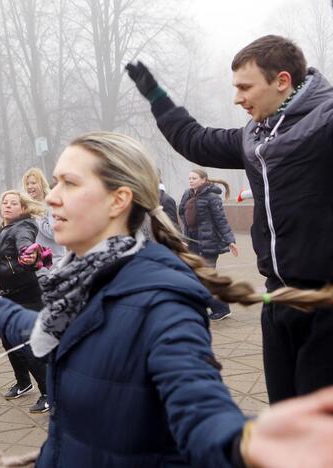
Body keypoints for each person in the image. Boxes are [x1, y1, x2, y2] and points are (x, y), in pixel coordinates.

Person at [0, 131, 333, 467]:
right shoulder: (80, 283)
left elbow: (196, 400)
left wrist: (242, 443)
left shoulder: (161, 299)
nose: (52, 196)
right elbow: (68, 336)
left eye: (69, 183)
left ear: (118, 200)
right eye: (55, 182)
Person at [126, 34, 333, 403]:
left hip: (326, 306)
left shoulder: (326, 125)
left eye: (245, 87)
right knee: (284, 418)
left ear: (281, 81)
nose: (237, 98)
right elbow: (194, 140)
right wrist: (156, 96)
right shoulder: (255, 138)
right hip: (278, 300)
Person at [0, 190, 49, 413]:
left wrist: (29, 254)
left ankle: (49, 393)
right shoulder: (2, 231)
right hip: (7, 295)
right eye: (5, 202)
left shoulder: (23, 228)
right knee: (9, 343)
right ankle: (23, 382)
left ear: (23, 208)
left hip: (27, 296)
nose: (7, 206)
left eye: (13, 203)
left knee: (28, 347)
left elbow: (26, 246)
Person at [179, 169, 238, 321]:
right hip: (193, 243)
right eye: (190, 178)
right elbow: (182, 213)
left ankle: (222, 308)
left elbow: (221, 220)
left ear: (204, 179)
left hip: (208, 244)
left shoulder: (212, 197)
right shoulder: (188, 194)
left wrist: (230, 240)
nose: (191, 180)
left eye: (194, 178)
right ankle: (202, 306)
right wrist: (185, 236)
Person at [21, 168, 65, 266]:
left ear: (41, 183)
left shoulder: (51, 204)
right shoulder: (25, 208)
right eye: (27, 184)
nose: (30, 186)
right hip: (34, 264)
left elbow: (54, 233)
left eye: (33, 183)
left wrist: (37, 216)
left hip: (54, 262)